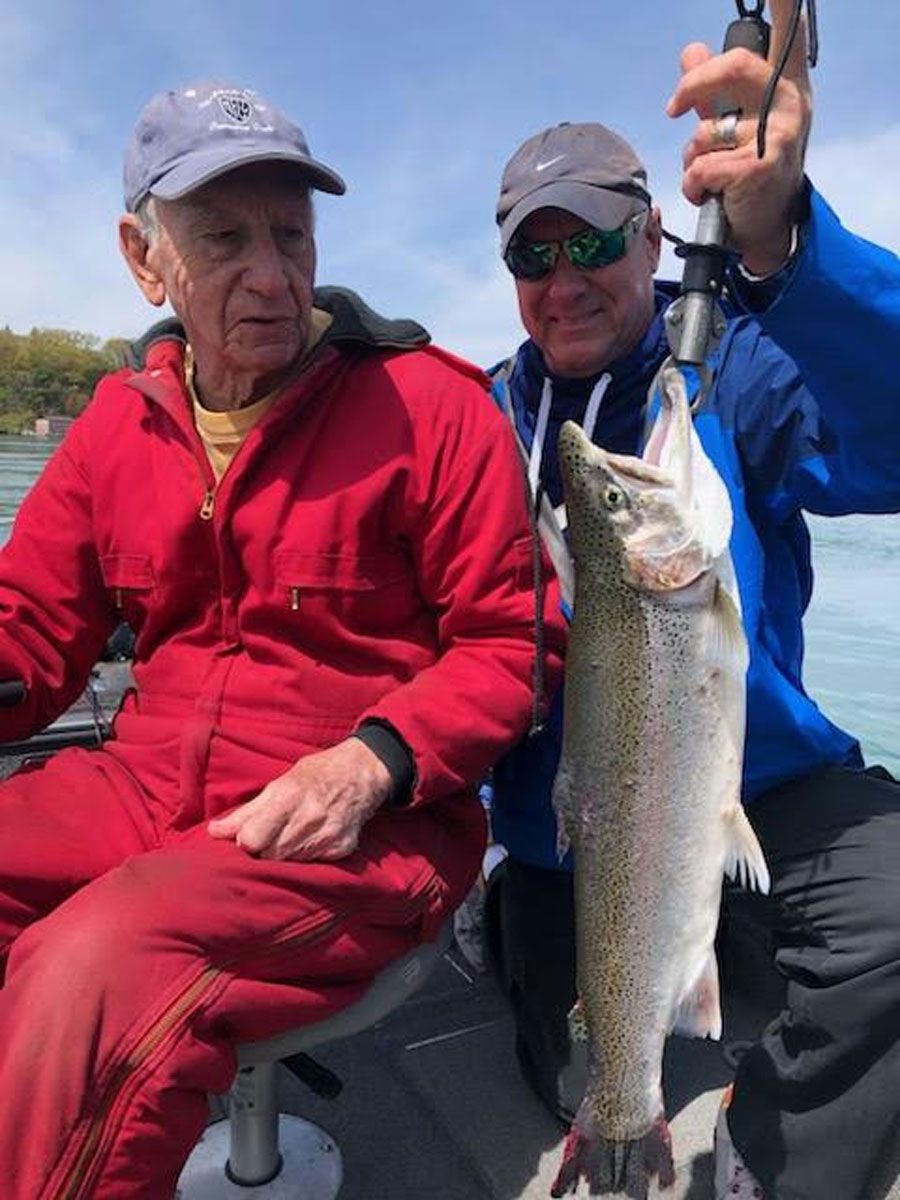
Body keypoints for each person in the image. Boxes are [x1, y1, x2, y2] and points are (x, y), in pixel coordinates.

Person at [0, 79, 565, 1198]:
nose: (271, 273)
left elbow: (515, 647)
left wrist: (376, 759)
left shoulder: (433, 408)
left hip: (363, 827)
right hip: (142, 786)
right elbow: (30, 632)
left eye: (291, 234)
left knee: (97, 971)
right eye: (223, 238)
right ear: (142, 256)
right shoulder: (118, 424)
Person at [486, 6, 900, 1199]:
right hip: (571, 826)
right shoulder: (483, 420)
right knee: (560, 1045)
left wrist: (781, 247)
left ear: (654, 230)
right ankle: (530, 962)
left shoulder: (743, 361)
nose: (564, 283)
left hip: (759, 780)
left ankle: (775, 1170)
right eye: (531, 255)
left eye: (596, 243)